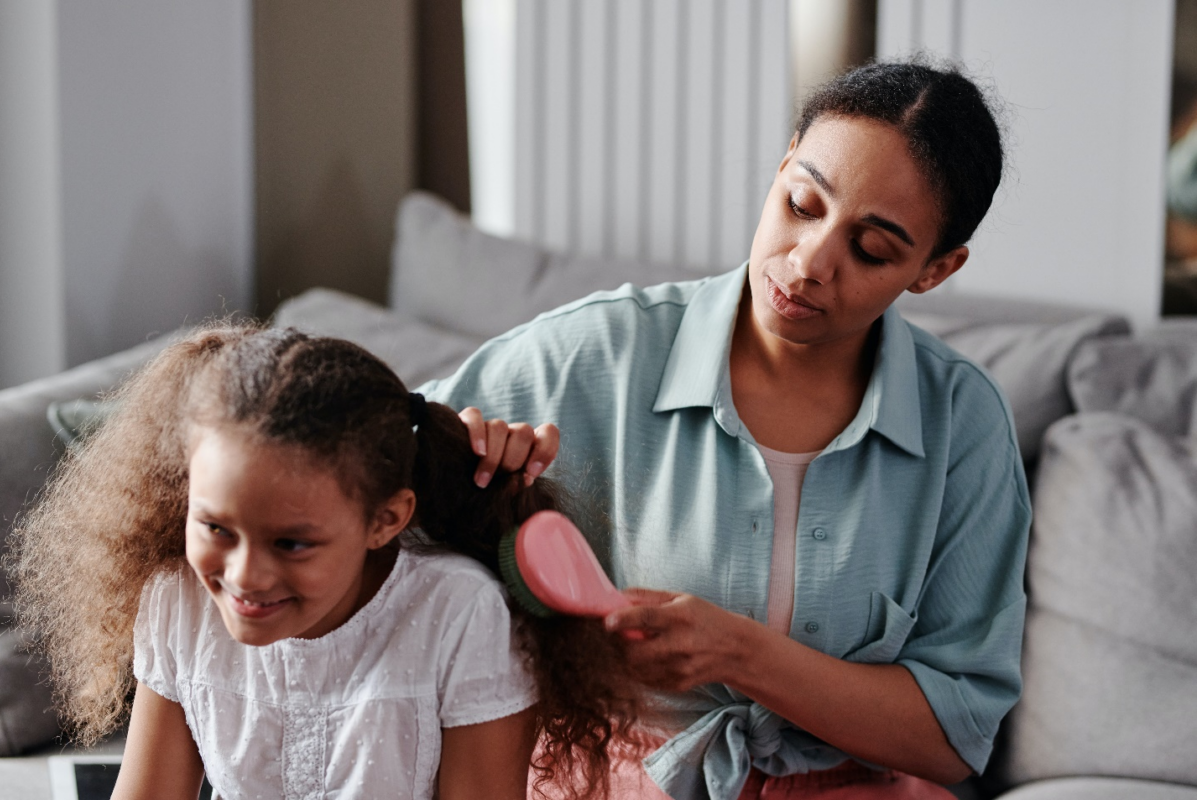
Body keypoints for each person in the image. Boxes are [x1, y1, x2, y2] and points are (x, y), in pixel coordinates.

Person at [424, 59, 1031, 799]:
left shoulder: (963, 424)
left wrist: (742, 654)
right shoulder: (601, 351)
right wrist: (472, 459)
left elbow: (952, 737)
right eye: (802, 203)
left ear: (935, 270)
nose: (809, 263)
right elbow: (363, 453)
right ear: (780, 169)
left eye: (871, 249)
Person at [6, 324, 642, 800]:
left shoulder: (459, 612)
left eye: (292, 543)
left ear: (385, 520)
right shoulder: (177, 600)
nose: (245, 576)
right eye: (215, 527)